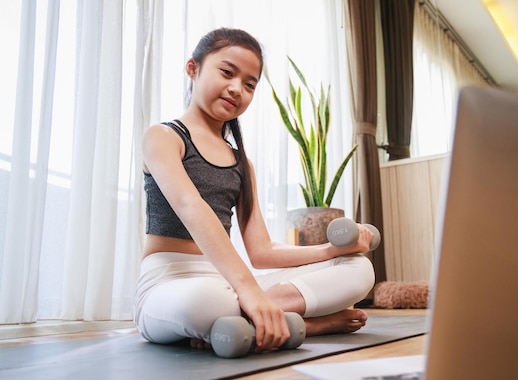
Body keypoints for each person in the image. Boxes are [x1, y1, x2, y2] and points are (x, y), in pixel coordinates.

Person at [134, 27, 376, 354]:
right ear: (193, 68)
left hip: (230, 283)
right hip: (169, 284)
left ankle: (249, 323)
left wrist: (331, 252)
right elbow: (192, 208)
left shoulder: (241, 164)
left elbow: (262, 251)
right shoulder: (162, 137)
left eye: (249, 84)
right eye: (227, 72)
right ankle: (300, 323)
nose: (237, 89)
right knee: (209, 301)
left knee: (359, 269)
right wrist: (246, 290)